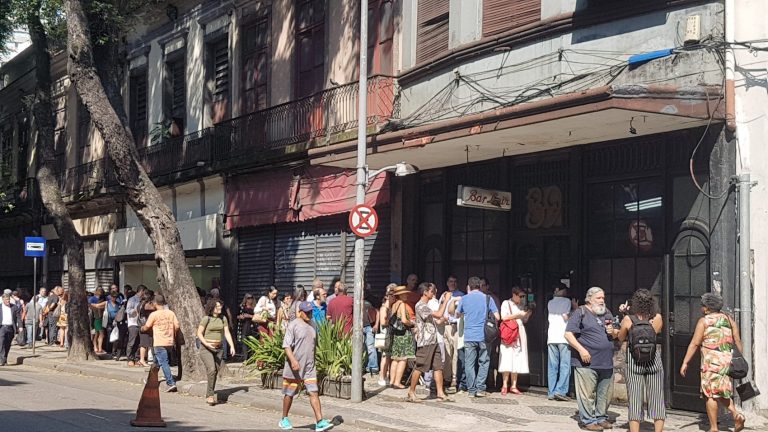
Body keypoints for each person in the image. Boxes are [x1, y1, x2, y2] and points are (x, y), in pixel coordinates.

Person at [680, 292, 745, 432]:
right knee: (721, 391)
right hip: (727, 362)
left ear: (707, 308)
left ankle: (714, 427)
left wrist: (685, 362)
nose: (701, 308)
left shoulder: (704, 321)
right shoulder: (729, 319)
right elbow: (737, 340)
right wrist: (740, 359)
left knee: (710, 394)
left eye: (702, 306)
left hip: (711, 363)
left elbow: (694, 343)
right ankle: (737, 414)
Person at [565, 287, 618, 431]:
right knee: (587, 394)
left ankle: (601, 417)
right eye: (599, 298)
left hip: (606, 361)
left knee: (605, 394)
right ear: (589, 299)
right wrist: (581, 350)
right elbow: (568, 334)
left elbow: (616, 333)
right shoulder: (580, 312)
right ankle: (588, 420)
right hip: (586, 362)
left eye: (603, 298)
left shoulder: (607, 313)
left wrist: (613, 332)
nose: (602, 301)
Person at [278, 301, 333, 431]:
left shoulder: (313, 325)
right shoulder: (293, 325)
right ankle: (284, 418)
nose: (309, 314)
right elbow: (286, 346)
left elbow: (314, 345)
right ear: (300, 312)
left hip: (309, 366)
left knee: (313, 392)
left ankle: (319, 421)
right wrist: (293, 361)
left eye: (311, 312)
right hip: (295, 366)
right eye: (307, 312)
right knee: (289, 393)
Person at [617, 289, 665, 432]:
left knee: (635, 399)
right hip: (653, 359)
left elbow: (621, 337)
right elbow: (654, 333)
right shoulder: (657, 318)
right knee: (657, 398)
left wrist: (625, 314)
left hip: (634, 360)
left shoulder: (628, 319)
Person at [453, 276, 499, 398]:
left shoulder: (464, 299)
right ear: (480, 286)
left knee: (469, 363)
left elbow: (457, 314)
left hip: (469, 335)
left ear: (469, 286)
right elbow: (498, 316)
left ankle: (471, 390)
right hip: (484, 335)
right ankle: (480, 388)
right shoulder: (487, 298)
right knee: (484, 361)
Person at [407, 283, 453, 402]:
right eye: (431, 291)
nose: (433, 293)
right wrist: (446, 301)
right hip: (425, 341)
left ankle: (440, 392)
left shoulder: (426, 306)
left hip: (434, 340)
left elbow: (437, 317)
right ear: (425, 292)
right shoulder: (420, 306)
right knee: (420, 366)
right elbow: (438, 314)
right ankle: (411, 391)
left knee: (438, 367)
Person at [197, 299, 236, 405]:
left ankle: (210, 392)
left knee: (215, 372)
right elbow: (199, 333)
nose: (220, 308)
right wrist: (206, 343)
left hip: (219, 349)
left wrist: (232, 346)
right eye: (217, 306)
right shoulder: (206, 319)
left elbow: (227, 333)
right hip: (206, 349)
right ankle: (210, 395)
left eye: (220, 306)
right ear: (212, 307)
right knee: (211, 369)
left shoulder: (223, 318)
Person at [141, 294, 179, 392]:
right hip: (169, 341)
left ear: (155, 303)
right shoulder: (171, 313)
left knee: (164, 363)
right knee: (156, 362)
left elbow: (146, 326)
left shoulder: (154, 315)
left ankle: (170, 382)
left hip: (159, 342)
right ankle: (150, 380)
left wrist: (142, 328)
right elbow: (177, 326)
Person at [499, 287, 532, 395]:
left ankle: (514, 384)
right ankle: (504, 384)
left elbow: (524, 320)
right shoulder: (506, 303)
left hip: (519, 332)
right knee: (507, 356)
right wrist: (518, 315)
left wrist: (528, 314)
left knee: (517, 357)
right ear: (514, 294)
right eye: (520, 296)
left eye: (523, 296)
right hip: (509, 332)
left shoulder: (521, 305)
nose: (522, 298)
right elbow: (503, 317)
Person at [547, 284, 573, 401]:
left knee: (552, 366)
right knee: (565, 365)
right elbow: (566, 317)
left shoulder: (550, 302)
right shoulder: (567, 301)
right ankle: (561, 390)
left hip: (551, 336)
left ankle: (551, 391)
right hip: (563, 336)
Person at [388, 285, 416, 389]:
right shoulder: (402, 304)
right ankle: (397, 382)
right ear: (401, 295)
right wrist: (412, 323)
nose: (407, 295)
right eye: (405, 293)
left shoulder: (394, 304)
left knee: (395, 358)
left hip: (396, 335)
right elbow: (404, 320)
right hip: (404, 335)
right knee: (403, 359)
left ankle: (392, 380)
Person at [442, 275, 465, 393]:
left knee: (456, 354)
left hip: (456, 326)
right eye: (451, 281)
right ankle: (447, 377)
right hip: (445, 326)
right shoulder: (444, 295)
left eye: (455, 281)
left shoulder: (461, 295)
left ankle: (455, 379)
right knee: (447, 354)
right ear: (447, 283)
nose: (453, 283)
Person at [377, 284, 396, 386]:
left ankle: (387, 376)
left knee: (389, 356)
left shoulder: (391, 307)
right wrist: (391, 320)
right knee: (385, 356)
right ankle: (381, 377)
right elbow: (383, 322)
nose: (394, 298)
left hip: (390, 333)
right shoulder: (384, 308)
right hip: (385, 334)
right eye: (393, 295)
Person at [125, 285, 146, 366]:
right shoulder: (132, 299)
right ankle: (129, 358)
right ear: (141, 291)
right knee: (132, 342)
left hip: (140, 324)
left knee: (138, 342)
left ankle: (135, 358)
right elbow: (128, 310)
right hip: (133, 323)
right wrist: (136, 310)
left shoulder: (143, 300)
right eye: (144, 292)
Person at [0, 292, 23, 365]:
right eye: (6, 300)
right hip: (2, 327)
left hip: (11, 328)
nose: (8, 301)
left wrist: (20, 326)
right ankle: (1, 359)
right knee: (1, 343)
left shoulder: (14, 307)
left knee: (7, 344)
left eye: (9, 299)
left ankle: (5, 359)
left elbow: (18, 318)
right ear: (3, 299)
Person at [363, 284, 379, 375]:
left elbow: (377, 312)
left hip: (370, 326)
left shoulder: (373, 299)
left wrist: (376, 324)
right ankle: (365, 365)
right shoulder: (357, 298)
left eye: (366, 289)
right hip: (360, 326)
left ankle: (373, 367)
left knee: (370, 347)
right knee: (362, 348)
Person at [138, 290, 156, 366]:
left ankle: (148, 359)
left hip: (142, 324)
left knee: (148, 343)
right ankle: (142, 359)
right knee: (144, 343)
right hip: (145, 325)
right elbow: (153, 308)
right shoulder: (146, 305)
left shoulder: (139, 304)